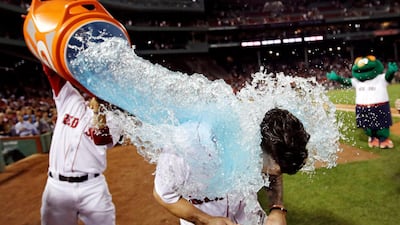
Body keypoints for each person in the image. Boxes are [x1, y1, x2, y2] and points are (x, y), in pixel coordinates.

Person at [153, 108, 310, 225]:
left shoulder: (259, 134)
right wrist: (206, 220)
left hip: (248, 218)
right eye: (269, 169)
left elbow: (275, 169)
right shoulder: (186, 145)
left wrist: (277, 208)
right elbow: (163, 194)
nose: (271, 174)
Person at [40, 64, 122, 225]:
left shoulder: (114, 119)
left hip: (92, 189)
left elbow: (101, 139)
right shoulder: (70, 100)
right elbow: (51, 72)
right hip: (57, 187)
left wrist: (99, 112)